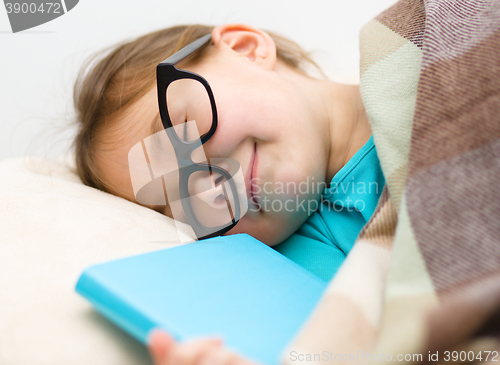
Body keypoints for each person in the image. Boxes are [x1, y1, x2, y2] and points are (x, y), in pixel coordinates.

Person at [72, 23, 384, 365]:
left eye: (184, 134)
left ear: (246, 48)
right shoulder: (293, 280)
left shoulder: (420, 63)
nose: (208, 188)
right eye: (180, 204)